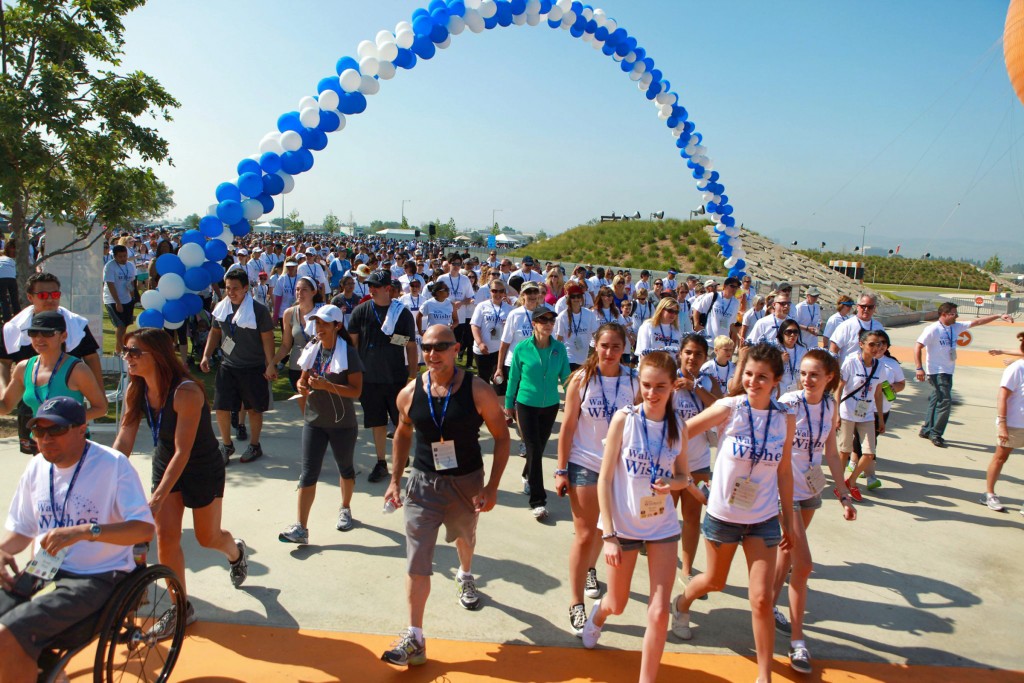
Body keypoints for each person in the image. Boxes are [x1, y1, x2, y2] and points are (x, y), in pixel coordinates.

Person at [380, 326, 510, 667]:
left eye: (440, 347)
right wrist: (395, 480)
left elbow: (502, 437)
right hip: (422, 485)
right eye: (426, 347)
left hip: (466, 483)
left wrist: (492, 486)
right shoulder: (409, 393)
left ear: (455, 349)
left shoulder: (477, 390)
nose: (432, 353)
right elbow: (403, 432)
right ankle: (415, 637)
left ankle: (465, 575)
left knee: (464, 538)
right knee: (417, 560)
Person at [0, 397, 154, 683]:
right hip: (43, 571)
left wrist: (86, 531)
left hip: (97, 576)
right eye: (38, 431)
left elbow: (144, 530)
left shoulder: (112, 465)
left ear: (82, 429)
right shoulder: (36, 468)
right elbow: (22, 530)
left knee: (10, 632)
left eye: (55, 431)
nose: (45, 439)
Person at [670, 343, 795, 683]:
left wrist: (789, 520)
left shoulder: (785, 418)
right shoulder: (730, 407)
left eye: (763, 377)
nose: (754, 382)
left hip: (764, 518)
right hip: (724, 515)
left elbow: (784, 472)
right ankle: (681, 605)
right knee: (715, 580)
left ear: (777, 381)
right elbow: (680, 434)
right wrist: (682, 477)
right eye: (749, 374)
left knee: (761, 599)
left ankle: (764, 675)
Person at [113, 328, 248, 635]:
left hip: (200, 466)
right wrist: (107, 472)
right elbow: (125, 437)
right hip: (166, 461)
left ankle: (235, 552)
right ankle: (181, 607)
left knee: (207, 537)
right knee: (167, 538)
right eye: (126, 351)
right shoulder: (136, 388)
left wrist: (158, 497)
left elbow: (183, 451)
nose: (127, 358)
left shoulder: (186, 391)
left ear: (157, 355)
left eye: (134, 352)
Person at [580, 352, 703, 683]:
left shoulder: (678, 426)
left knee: (660, 611)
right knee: (617, 603)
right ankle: (599, 616)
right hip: (623, 528)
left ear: (673, 386)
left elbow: (682, 475)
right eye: (646, 386)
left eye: (660, 386)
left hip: (662, 527)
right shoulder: (625, 419)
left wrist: (673, 484)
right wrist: (608, 535)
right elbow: (604, 479)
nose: (652, 393)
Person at [772, 350, 857, 673]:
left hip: (811, 489)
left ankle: (766, 604)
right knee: (803, 564)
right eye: (804, 373)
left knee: (787, 553)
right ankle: (797, 642)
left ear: (829, 378)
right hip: (785, 491)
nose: (807, 380)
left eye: (814, 375)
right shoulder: (789, 403)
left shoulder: (830, 405)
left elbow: (832, 453)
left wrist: (844, 493)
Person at [555, 323, 636, 635]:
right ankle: (576, 603)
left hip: (620, 469)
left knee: (606, 529)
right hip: (585, 463)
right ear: (595, 346)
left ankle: (590, 568)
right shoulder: (582, 379)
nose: (610, 352)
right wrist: (561, 469)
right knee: (586, 534)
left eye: (616, 347)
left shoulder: (633, 380)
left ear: (624, 348)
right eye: (605, 346)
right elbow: (568, 427)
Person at [279, 306, 364, 543]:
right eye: (317, 324)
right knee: (308, 473)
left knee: (345, 468)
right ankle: (301, 528)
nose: (319, 328)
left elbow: (356, 391)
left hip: (342, 423)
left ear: (337, 326)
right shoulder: (312, 349)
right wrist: (301, 386)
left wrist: (328, 386)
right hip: (314, 421)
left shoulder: (349, 353)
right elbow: (303, 379)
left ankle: (345, 508)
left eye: (325, 324)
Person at [200, 269, 278, 465]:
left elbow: (268, 339)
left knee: (253, 409)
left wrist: (270, 365)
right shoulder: (221, 308)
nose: (231, 292)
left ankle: (254, 445)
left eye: (235, 288)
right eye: (227, 288)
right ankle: (226, 445)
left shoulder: (259, 311)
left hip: (253, 367)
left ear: (246, 288)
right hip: (228, 366)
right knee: (221, 407)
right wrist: (206, 355)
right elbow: (215, 333)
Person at [348, 270, 418, 483]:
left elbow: (411, 346)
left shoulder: (402, 313)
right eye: (370, 285)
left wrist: (412, 378)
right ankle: (381, 462)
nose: (371, 289)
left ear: (388, 289)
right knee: (376, 422)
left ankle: (401, 453)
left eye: (376, 286)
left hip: (396, 378)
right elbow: (353, 344)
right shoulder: (361, 311)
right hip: (369, 379)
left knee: (401, 422)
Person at [914, 303, 1012, 448]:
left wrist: (998, 316)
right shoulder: (932, 329)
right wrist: (919, 368)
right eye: (954, 314)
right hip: (937, 371)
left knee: (937, 399)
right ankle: (936, 434)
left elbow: (978, 322)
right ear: (944, 314)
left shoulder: (955, 327)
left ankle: (927, 429)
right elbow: (918, 346)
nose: (957, 316)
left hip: (948, 371)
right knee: (945, 401)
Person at [506, 307, 571, 520]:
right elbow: (514, 378)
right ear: (534, 323)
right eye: (543, 320)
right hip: (525, 404)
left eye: (551, 321)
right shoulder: (522, 348)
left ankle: (527, 474)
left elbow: (566, 378)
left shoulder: (559, 349)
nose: (548, 324)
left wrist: (573, 400)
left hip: (550, 405)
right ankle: (538, 500)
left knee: (539, 448)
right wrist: (509, 404)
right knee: (533, 447)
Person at [671, 335, 721, 585]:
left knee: (692, 518)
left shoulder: (709, 381)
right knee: (664, 516)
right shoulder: (667, 378)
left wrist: (695, 387)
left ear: (705, 358)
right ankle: (662, 556)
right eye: (688, 352)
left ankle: (687, 568)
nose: (692, 358)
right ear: (680, 353)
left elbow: (721, 410)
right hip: (668, 462)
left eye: (698, 354)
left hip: (699, 461)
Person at [0, 311, 107, 424]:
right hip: (38, 438)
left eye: (47, 333)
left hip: (71, 440)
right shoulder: (23, 368)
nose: (39, 339)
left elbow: (101, 408)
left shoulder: (77, 370)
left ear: (63, 336)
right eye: (33, 333)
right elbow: (5, 407)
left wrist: (64, 424)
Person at [836, 330, 888, 500]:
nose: (875, 348)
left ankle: (851, 481)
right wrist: (836, 413)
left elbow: (879, 394)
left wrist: (880, 418)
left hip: (866, 414)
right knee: (844, 451)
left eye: (878, 344)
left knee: (869, 453)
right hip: (847, 411)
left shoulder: (880, 366)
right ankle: (839, 485)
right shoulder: (851, 362)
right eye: (871, 344)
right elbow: (839, 387)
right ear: (862, 344)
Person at [982, 331, 1024, 513]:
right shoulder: (1016, 369)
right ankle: (989, 494)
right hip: (1014, 423)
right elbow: (1002, 396)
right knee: (1001, 457)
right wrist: (1002, 424)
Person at [271, 276, 321, 414]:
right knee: (306, 412)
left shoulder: (322, 313)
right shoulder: (289, 313)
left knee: (321, 409)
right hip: (296, 367)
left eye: (304, 290)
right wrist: (272, 363)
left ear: (313, 292)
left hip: (318, 368)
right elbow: (286, 345)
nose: (300, 293)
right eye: (297, 290)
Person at [494, 281, 547, 385]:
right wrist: (499, 368)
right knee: (517, 397)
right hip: (515, 363)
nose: (532, 295)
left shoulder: (544, 314)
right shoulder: (514, 314)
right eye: (528, 292)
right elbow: (504, 343)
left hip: (536, 364)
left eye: (535, 291)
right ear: (523, 294)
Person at [470, 279, 512, 387]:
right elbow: (475, 326)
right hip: (483, 350)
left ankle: (497, 402)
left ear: (504, 292)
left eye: (501, 291)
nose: (498, 294)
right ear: (490, 292)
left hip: (500, 350)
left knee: (499, 380)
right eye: (494, 291)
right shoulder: (482, 306)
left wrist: (507, 324)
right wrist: (480, 343)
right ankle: (483, 401)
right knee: (483, 379)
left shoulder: (509, 309)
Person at [555, 284, 600, 372]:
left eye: (578, 296)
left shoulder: (588, 314)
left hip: (583, 356)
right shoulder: (563, 316)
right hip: (568, 355)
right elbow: (559, 337)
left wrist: (599, 346)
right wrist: (555, 354)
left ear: (581, 298)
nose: (576, 299)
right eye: (573, 297)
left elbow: (595, 333)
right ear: (569, 298)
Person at [102, 244, 138, 356]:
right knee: (120, 325)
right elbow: (110, 284)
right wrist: (117, 302)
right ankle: (122, 349)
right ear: (115, 257)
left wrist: (133, 297)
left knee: (125, 325)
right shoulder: (110, 266)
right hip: (112, 299)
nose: (123, 258)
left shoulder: (130, 266)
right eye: (120, 256)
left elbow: (132, 282)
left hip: (126, 298)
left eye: (125, 256)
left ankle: (117, 350)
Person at [829, 294, 883, 363]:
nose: (866, 309)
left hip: (872, 370)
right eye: (863, 306)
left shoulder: (879, 327)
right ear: (857, 307)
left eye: (870, 307)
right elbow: (833, 349)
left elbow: (882, 349)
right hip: (849, 371)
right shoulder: (846, 326)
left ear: (874, 308)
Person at [692, 276, 741, 346]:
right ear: (725, 286)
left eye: (736, 287)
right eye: (732, 286)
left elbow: (731, 324)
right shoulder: (713, 296)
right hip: (708, 340)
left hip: (722, 343)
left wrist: (738, 336)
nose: (734, 289)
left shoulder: (736, 303)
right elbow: (697, 309)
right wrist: (696, 324)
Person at [776, 319, 807, 395]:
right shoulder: (775, 349)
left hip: (797, 392)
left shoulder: (803, 351)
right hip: (779, 393)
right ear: (782, 333)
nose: (792, 335)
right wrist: (780, 361)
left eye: (795, 332)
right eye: (789, 332)